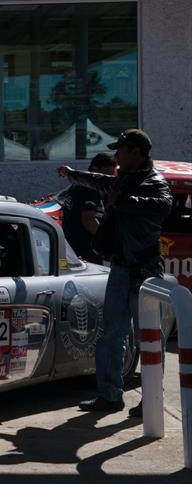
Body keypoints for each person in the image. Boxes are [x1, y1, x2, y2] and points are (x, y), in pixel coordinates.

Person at [57, 129, 172, 414]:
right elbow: (99, 181)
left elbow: (163, 206)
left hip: (144, 271)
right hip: (121, 268)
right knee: (112, 334)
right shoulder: (124, 180)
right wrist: (72, 174)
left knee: (149, 336)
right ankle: (110, 395)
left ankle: (152, 400)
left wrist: (125, 201)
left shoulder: (154, 182)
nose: (117, 157)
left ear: (136, 152)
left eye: (120, 151)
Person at [60, 152, 117, 265]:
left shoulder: (77, 185)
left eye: (112, 175)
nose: (109, 178)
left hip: (70, 248)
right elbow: (88, 220)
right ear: (95, 169)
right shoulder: (89, 189)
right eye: (107, 173)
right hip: (85, 251)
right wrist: (107, 239)